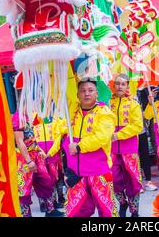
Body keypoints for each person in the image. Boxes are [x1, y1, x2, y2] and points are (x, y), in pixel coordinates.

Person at [47, 78, 117, 217]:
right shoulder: (72, 112)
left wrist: (79, 147)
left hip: (98, 172)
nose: (86, 94)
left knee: (107, 212)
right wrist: (51, 152)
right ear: (77, 95)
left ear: (97, 93)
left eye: (90, 90)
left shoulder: (104, 113)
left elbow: (102, 137)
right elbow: (63, 135)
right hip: (76, 173)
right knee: (75, 212)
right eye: (82, 91)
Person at [12, 112, 63, 217]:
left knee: (46, 181)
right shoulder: (18, 117)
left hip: (35, 155)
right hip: (23, 159)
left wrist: (39, 151)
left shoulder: (29, 115)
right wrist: (29, 161)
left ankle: (50, 210)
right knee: (24, 190)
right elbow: (19, 141)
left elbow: (32, 139)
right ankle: (26, 215)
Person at [110, 74, 143, 217]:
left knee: (133, 180)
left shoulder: (133, 104)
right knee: (113, 179)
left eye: (123, 84)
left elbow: (137, 126)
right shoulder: (107, 103)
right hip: (111, 149)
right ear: (113, 85)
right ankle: (122, 203)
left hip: (129, 148)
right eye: (117, 83)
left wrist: (119, 135)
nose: (120, 86)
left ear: (127, 86)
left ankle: (134, 210)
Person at [136, 88, 158, 192]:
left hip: (141, 130)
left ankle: (148, 181)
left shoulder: (142, 94)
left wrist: (150, 103)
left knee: (145, 156)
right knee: (134, 158)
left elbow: (148, 115)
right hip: (128, 133)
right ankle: (137, 182)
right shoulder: (122, 95)